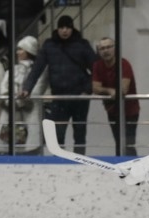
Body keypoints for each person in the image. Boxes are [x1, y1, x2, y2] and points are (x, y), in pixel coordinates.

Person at [20, 14, 96, 155]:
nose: (64, 31)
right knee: (58, 134)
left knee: (79, 134)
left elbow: (96, 69)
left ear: (72, 28)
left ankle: (81, 162)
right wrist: (27, 88)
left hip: (79, 97)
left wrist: (87, 89)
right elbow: (37, 68)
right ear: (58, 28)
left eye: (67, 27)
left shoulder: (82, 45)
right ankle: (60, 163)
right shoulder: (49, 46)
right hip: (59, 98)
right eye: (62, 27)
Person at [0, 35, 47, 154]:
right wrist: (10, 101)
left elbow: (38, 89)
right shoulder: (12, 69)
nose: (17, 52)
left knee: (30, 146)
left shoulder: (40, 70)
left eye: (21, 49)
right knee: (8, 144)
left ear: (29, 51)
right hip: (9, 111)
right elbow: (3, 87)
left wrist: (20, 101)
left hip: (30, 111)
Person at [91, 36, 139, 156]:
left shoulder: (124, 64)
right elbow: (95, 88)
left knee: (128, 144)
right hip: (112, 111)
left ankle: (135, 169)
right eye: (102, 48)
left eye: (108, 47)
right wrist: (109, 91)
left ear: (114, 48)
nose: (105, 51)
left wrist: (111, 91)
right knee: (119, 143)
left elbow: (123, 89)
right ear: (98, 51)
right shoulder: (97, 65)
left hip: (130, 111)